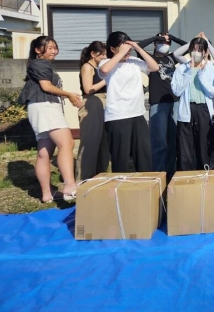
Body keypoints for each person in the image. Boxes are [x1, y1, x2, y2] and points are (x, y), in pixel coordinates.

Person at [18, 36, 82, 202]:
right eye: (50, 48)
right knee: (67, 143)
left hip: (40, 107)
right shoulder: (40, 63)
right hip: (45, 107)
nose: (54, 51)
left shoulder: (37, 64)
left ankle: (47, 194)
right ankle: (70, 185)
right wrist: (68, 94)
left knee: (44, 152)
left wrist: (66, 96)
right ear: (38, 50)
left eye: (55, 48)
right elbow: (46, 87)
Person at [99, 32, 159, 172]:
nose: (127, 51)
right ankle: (120, 184)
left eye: (128, 48)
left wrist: (138, 48)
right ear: (112, 49)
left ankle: (146, 182)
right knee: (120, 158)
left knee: (143, 155)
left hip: (137, 114)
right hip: (117, 116)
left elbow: (154, 67)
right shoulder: (105, 63)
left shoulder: (134, 61)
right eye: (123, 48)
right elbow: (104, 70)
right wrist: (121, 53)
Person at [137, 32, 186, 178]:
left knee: (173, 141)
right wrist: (155, 38)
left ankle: (170, 174)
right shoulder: (149, 59)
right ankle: (158, 175)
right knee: (159, 142)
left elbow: (187, 46)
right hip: (158, 103)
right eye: (161, 41)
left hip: (174, 102)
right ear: (155, 43)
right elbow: (138, 47)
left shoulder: (171, 57)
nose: (165, 44)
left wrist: (172, 37)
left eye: (167, 42)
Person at [171, 36, 214, 171]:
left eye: (199, 50)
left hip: (204, 109)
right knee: (186, 145)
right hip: (187, 109)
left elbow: (212, 92)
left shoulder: (210, 68)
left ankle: (206, 173)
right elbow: (176, 91)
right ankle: (186, 175)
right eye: (193, 49)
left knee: (204, 144)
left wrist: (201, 74)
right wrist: (189, 72)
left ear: (205, 52)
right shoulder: (181, 68)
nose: (195, 53)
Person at [77, 40, 110, 181]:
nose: (104, 57)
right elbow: (88, 89)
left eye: (105, 54)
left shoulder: (100, 67)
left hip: (103, 102)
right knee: (90, 142)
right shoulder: (87, 66)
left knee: (103, 144)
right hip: (92, 103)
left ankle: (99, 176)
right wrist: (106, 80)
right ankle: (83, 178)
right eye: (101, 54)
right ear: (93, 54)